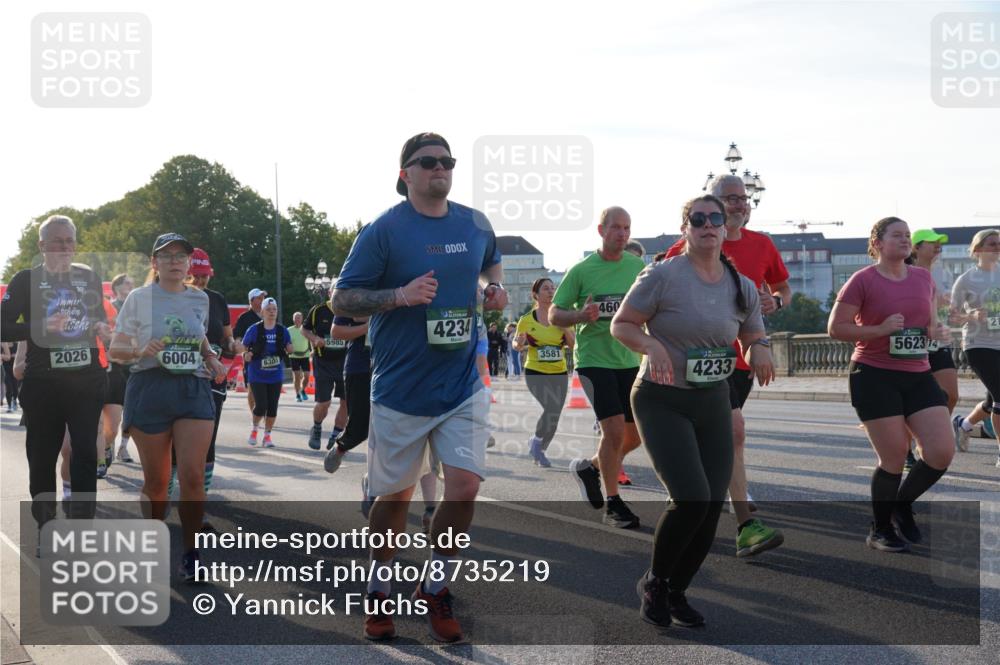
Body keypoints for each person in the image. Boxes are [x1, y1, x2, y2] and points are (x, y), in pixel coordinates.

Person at [333, 131, 505, 643]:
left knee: (467, 486)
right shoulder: (383, 230)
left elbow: (488, 262)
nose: (440, 169)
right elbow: (343, 300)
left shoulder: (475, 222)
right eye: (428, 162)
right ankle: (380, 589)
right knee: (394, 501)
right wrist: (399, 296)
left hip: (460, 385)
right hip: (401, 388)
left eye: (447, 162)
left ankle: (436, 585)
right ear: (405, 173)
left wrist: (491, 288)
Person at [612, 194, 774, 628]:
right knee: (690, 497)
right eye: (697, 219)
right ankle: (655, 581)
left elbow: (754, 329)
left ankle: (676, 590)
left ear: (724, 228)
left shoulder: (738, 283)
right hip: (661, 397)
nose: (707, 224)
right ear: (685, 228)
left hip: (712, 400)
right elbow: (622, 324)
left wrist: (758, 348)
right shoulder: (662, 276)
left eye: (714, 218)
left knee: (710, 502)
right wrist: (649, 344)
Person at [663, 173, 788, 557]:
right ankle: (743, 522)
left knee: (722, 436)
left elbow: (782, 288)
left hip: (741, 359)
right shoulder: (677, 254)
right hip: (692, 359)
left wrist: (775, 304)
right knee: (732, 429)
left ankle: (698, 499)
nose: (737, 203)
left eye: (742, 197)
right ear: (711, 206)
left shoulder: (763, 245)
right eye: (728, 198)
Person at [828, 217, 954, 552]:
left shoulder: (922, 278)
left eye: (907, 235)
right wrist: (878, 330)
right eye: (896, 235)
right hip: (873, 374)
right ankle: (880, 528)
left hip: (917, 372)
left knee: (941, 451)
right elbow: (836, 328)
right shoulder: (862, 280)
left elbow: (929, 324)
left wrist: (936, 332)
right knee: (895, 454)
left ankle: (901, 503)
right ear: (877, 244)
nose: (904, 239)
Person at [110, 233, 227, 579]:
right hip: (150, 388)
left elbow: (200, 336)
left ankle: (191, 553)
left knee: (192, 475)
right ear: (154, 263)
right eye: (167, 255)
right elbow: (116, 349)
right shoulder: (138, 298)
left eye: (182, 256)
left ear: (189, 263)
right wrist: (140, 350)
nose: (175, 261)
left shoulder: (200, 299)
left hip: (193, 387)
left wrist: (211, 358)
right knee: (157, 482)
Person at [1, 215, 110, 529]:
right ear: (42, 245)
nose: (64, 246)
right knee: (42, 458)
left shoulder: (87, 278)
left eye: (69, 241)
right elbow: (2, 324)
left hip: (86, 378)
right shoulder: (25, 280)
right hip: (43, 383)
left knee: (87, 454)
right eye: (57, 241)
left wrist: (102, 327)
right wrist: (39, 327)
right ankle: (46, 526)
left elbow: (98, 317)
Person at [551, 206, 645, 529]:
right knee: (615, 430)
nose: (622, 234)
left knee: (636, 436)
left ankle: (590, 467)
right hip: (593, 360)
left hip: (629, 359)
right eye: (616, 227)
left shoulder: (637, 267)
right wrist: (579, 316)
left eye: (627, 228)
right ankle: (613, 503)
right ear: (601, 230)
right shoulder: (581, 271)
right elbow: (554, 314)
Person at [166, 248, 235, 518]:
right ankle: (168, 489)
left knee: (209, 439)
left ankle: (199, 501)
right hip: (179, 376)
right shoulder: (171, 297)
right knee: (174, 438)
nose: (203, 280)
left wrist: (234, 345)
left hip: (212, 378)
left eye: (206, 275)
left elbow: (227, 337)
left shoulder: (217, 300)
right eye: (198, 275)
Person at [905, 230, 959, 469]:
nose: (938, 247)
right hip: (913, 340)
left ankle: (929, 433)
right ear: (916, 247)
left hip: (939, 340)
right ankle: (907, 447)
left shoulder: (942, 271)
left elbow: (945, 302)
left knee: (951, 394)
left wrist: (953, 310)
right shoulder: (905, 271)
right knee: (907, 399)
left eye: (940, 244)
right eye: (933, 243)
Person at [949, 229, 1000, 465]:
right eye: (992, 244)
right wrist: (972, 316)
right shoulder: (966, 279)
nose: (997, 247)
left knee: (993, 401)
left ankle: (964, 424)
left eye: (999, 243)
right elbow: (952, 317)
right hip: (978, 344)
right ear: (978, 249)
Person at [513, 277, 575, 468]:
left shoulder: (562, 317)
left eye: (552, 288)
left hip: (559, 371)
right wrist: (519, 343)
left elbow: (573, 345)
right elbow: (516, 343)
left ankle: (539, 446)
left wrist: (563, 326)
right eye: (546, 289)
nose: (551, 291)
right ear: (535, 295)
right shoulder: (526, 320)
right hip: (535, 371)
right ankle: (537, 443)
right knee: (551, 408)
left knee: (554, 415)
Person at [242, 297, 293, 448]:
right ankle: (255, 429)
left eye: (274, 309)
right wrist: (246, 355)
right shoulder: (254, 329)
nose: (272, 312)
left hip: (275, 374)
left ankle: (267, 436)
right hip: (257, 373)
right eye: (269, 309)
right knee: (261, 405)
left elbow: (289, 346)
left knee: (272, 406)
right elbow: (244, 347)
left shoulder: (282, 330)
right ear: (262, 312)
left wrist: (290, 348)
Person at [303, 286, 349, 450]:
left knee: (346, 402)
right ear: (330, 293)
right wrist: (315, 338)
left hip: (345, 362)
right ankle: (316, 427)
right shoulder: (318, 310)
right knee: (324, 402)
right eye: (336, 291)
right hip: (323, 362)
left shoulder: (349, 311)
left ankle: (336, 435)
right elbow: (304, 329)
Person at [323, 315, 371, 472]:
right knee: (359, 426)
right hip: (361, 368)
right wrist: (372, 325)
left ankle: (375, 484)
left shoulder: (407, 293)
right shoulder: (354, 292)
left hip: (394, 365)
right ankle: (341, 447)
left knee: (389, 427)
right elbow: (336, 332)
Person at [107, 273, 136, 462]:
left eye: (132, 283)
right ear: (116, 287)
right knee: (112, 413)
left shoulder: (137, 307)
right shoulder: (110, 307)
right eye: (127, 283)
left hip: (134, 364)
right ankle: (107, 445)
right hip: (114, 365)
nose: (131, 286)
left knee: (132, 411)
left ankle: (123, 448)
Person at [234, 288, 266, 413]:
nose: (261, 300)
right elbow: (237, 335)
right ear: (251, 301)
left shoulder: (268, 314)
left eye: (262, 298)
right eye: (259, 298)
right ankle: (255, 414)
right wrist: (240, 346)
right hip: (251, 357)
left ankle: (264, 412)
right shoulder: (244, 317)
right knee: (252, 388)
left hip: (268, 357)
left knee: (267, 387)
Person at [288, 311, 312, 401]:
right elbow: (286, 342)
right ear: (293, 319)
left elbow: (311, 340)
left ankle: (302, 390)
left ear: (302, 319)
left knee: (306, 376)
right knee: (297, 376)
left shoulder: (306, 329)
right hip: (294, 356)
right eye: (296, 318)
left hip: (305, 355)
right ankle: (297, 394)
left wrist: (313, 350)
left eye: (299, 317)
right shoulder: (289, 330)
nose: (297, 319)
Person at [1, 342, 18, 412]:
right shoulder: (3, 344)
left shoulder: (16, 344)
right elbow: (6, 356)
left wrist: (15, 356)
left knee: (15, 387)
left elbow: (21, 355)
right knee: (9, 387)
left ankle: (14, 400)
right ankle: (9, 405)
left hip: (14, 368)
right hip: (5, 368)